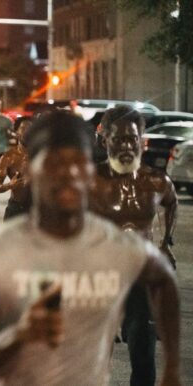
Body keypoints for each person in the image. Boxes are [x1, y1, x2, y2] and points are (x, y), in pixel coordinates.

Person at [0, 110, 181, 386]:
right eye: (53, 163)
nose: (67, 174)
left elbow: (163, 280)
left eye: (77, 163)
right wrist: (18, 337)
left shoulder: (119, 246)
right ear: (31, 170)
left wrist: (172, 369)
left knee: (140, 340)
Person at [89, 105, 178, 386]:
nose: (127, 146)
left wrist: (165, 242)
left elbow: (172, 202)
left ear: (142, 141)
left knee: (143, 352)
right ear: (105, 140)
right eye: (119, 139)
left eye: (133, 139)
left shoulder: (156, 181)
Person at [0, 116, 33, 221]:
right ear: (16, 132)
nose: (27, 132)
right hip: (16, 209)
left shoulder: (43, 155)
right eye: (23, 128)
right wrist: (9, 185)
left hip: (38, 209)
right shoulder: (8, 157)